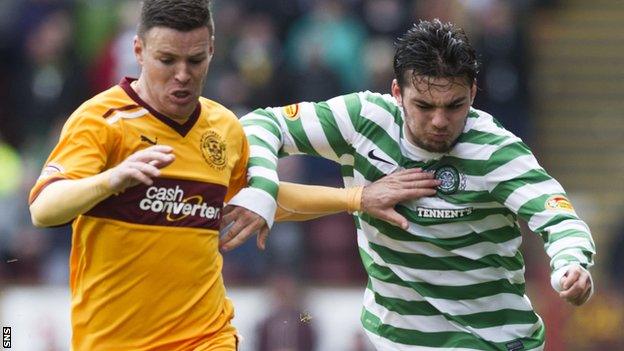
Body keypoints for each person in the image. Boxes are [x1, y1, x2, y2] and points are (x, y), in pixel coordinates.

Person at [28, 1, 438, 349]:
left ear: (211, 49)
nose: (183, 75)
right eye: (166, 60)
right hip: (114, 340)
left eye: (195, 60)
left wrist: (357, 198)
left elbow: (261, 198)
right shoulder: (101, 120)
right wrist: (112, 180)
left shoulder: (223, 126)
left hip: (208, 336)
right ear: (138, 50)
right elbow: (44, 209)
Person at [224, 19, 596, 350]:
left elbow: (558, 216)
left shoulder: (496, 151)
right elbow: (260, 125)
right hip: (396, 338)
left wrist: (571, 265)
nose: (439, 121)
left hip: (492, 339)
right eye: (424, 106)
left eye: (454, 106)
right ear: (397, 93)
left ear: (473, 93)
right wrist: (261, 186)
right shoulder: (362, 121)